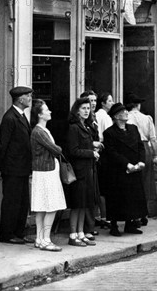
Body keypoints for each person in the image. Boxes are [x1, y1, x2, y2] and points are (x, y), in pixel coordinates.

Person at [0, 86, 34, 244]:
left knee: (22, 202)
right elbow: (3, 145)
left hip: (22, 168)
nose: (30, 99)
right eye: (28, 96)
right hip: (12, 168)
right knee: (12, 202)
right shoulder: (10, 118)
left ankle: (19, 232)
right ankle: (7, 234)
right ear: (20, 99)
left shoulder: (22, 116)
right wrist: (2, 167)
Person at [103, 103, 148, 236]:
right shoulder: (109, 133)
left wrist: (141, 161)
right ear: (116, 116)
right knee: (117, 198)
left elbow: (141, 146)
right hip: (119, 170)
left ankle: (130, 224)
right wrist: (126, 164)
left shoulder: (133, 129)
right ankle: (114, 226)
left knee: (133, 197)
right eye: (123, 112)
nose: (127, 113)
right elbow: (112, 152)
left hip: (135, 168)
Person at [30, 99, 66, 251]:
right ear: (39, 114)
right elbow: (56, 149)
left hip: (44, 171)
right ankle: (46, 239)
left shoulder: (42, 131)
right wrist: (58, 148)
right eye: (46, 110)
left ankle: (40, 238)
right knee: (51, 206)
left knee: (41, 207)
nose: (49, 112)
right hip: (46, 172)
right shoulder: (39, 131)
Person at [65, 97, 100, 247]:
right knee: (77, 204)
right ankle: (73, 235)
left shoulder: (85, 126)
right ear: (77, 111)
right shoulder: (74, 127)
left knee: (84, 204)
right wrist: (91, 153)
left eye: (88, 108)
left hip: (87, 170)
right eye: (83, 108)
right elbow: (73, 151)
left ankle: (80, 232)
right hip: (79, 171)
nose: (87, 111)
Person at [124, 92, 157, 220]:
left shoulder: (126, 117)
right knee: (145, 182)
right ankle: (144, 213)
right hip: (145, 149)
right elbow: (153, 139)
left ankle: (134, 214)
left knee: (133, 183)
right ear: (138, 105)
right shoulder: (147, 118)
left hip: (131, 149)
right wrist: (156, 156)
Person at [80, 90, 102, 240]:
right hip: (85, 161)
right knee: (86, 196)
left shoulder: (93, 119)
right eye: (89, 102)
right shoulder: (82, 122)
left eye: (94, 101)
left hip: (93, 160)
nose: (93, 104)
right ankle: (87, 226)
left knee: (93, 195)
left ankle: (90, 224)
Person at [94, 92, 114, 228]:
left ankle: (98, 215)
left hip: (97, 152)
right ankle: (105, 216)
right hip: (103, 153)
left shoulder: (95, 115)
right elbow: (108, 136)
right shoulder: (105, 117)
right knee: (104, 188)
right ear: (103, 103)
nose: (112, 103)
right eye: (110, 101)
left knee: (99, 187)